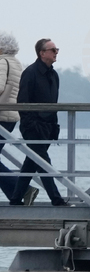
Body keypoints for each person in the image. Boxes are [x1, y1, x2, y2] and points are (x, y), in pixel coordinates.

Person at [11, 39, 67, 206]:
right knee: (43, 163)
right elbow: (23, 101)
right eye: (53, 50)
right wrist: (30, 125)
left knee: (32, 162)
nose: (56, 52)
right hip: (33, 127)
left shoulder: (54, 75)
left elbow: (53, 103)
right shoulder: (30, 72)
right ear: (42, 53)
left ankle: (15, 198)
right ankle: (56, 199)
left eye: (57, 49)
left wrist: (54, 126)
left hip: (48, 127)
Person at [0, 33, 37, 205]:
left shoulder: (2, 62)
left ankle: (21, 190)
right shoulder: (16, 63)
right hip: (11, 116)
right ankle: (19, 193)